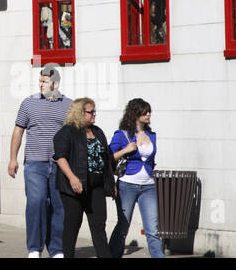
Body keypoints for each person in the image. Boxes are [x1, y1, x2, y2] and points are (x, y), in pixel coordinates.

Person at [8, 64, 72, 257]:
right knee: (36, 203)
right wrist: (13, 159)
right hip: (35, 163)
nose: (41, 84)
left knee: (58, 206)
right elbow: (18, 131)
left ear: (55, 83)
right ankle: (34, 248)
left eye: (45, 81)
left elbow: (73, 135)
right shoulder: (28, 103)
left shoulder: (69, 105)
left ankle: (56, 249)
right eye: (40, 80)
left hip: (60, 164)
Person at [53, 97, 115, 258]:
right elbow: (60, 157)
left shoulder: (98, 132)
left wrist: (111, 182)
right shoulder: (67, 131)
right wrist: (72, 178)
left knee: (99, 225)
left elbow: (106, 159)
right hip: (74, 188)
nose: (94, 114)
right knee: (73, 225)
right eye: (90, 111)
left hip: (96, 186)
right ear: (79, 113)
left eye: (94, 111)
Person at [109, 98, 164, 258]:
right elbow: (109, 157)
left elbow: (151, 161)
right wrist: (126, 150)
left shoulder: (151, 135)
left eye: (149, 112)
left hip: (148, 186)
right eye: (145, 112)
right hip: (127, 185)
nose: (148, 114)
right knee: (123, 226)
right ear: (135, 113)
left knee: (153, 228)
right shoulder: (121, 135)